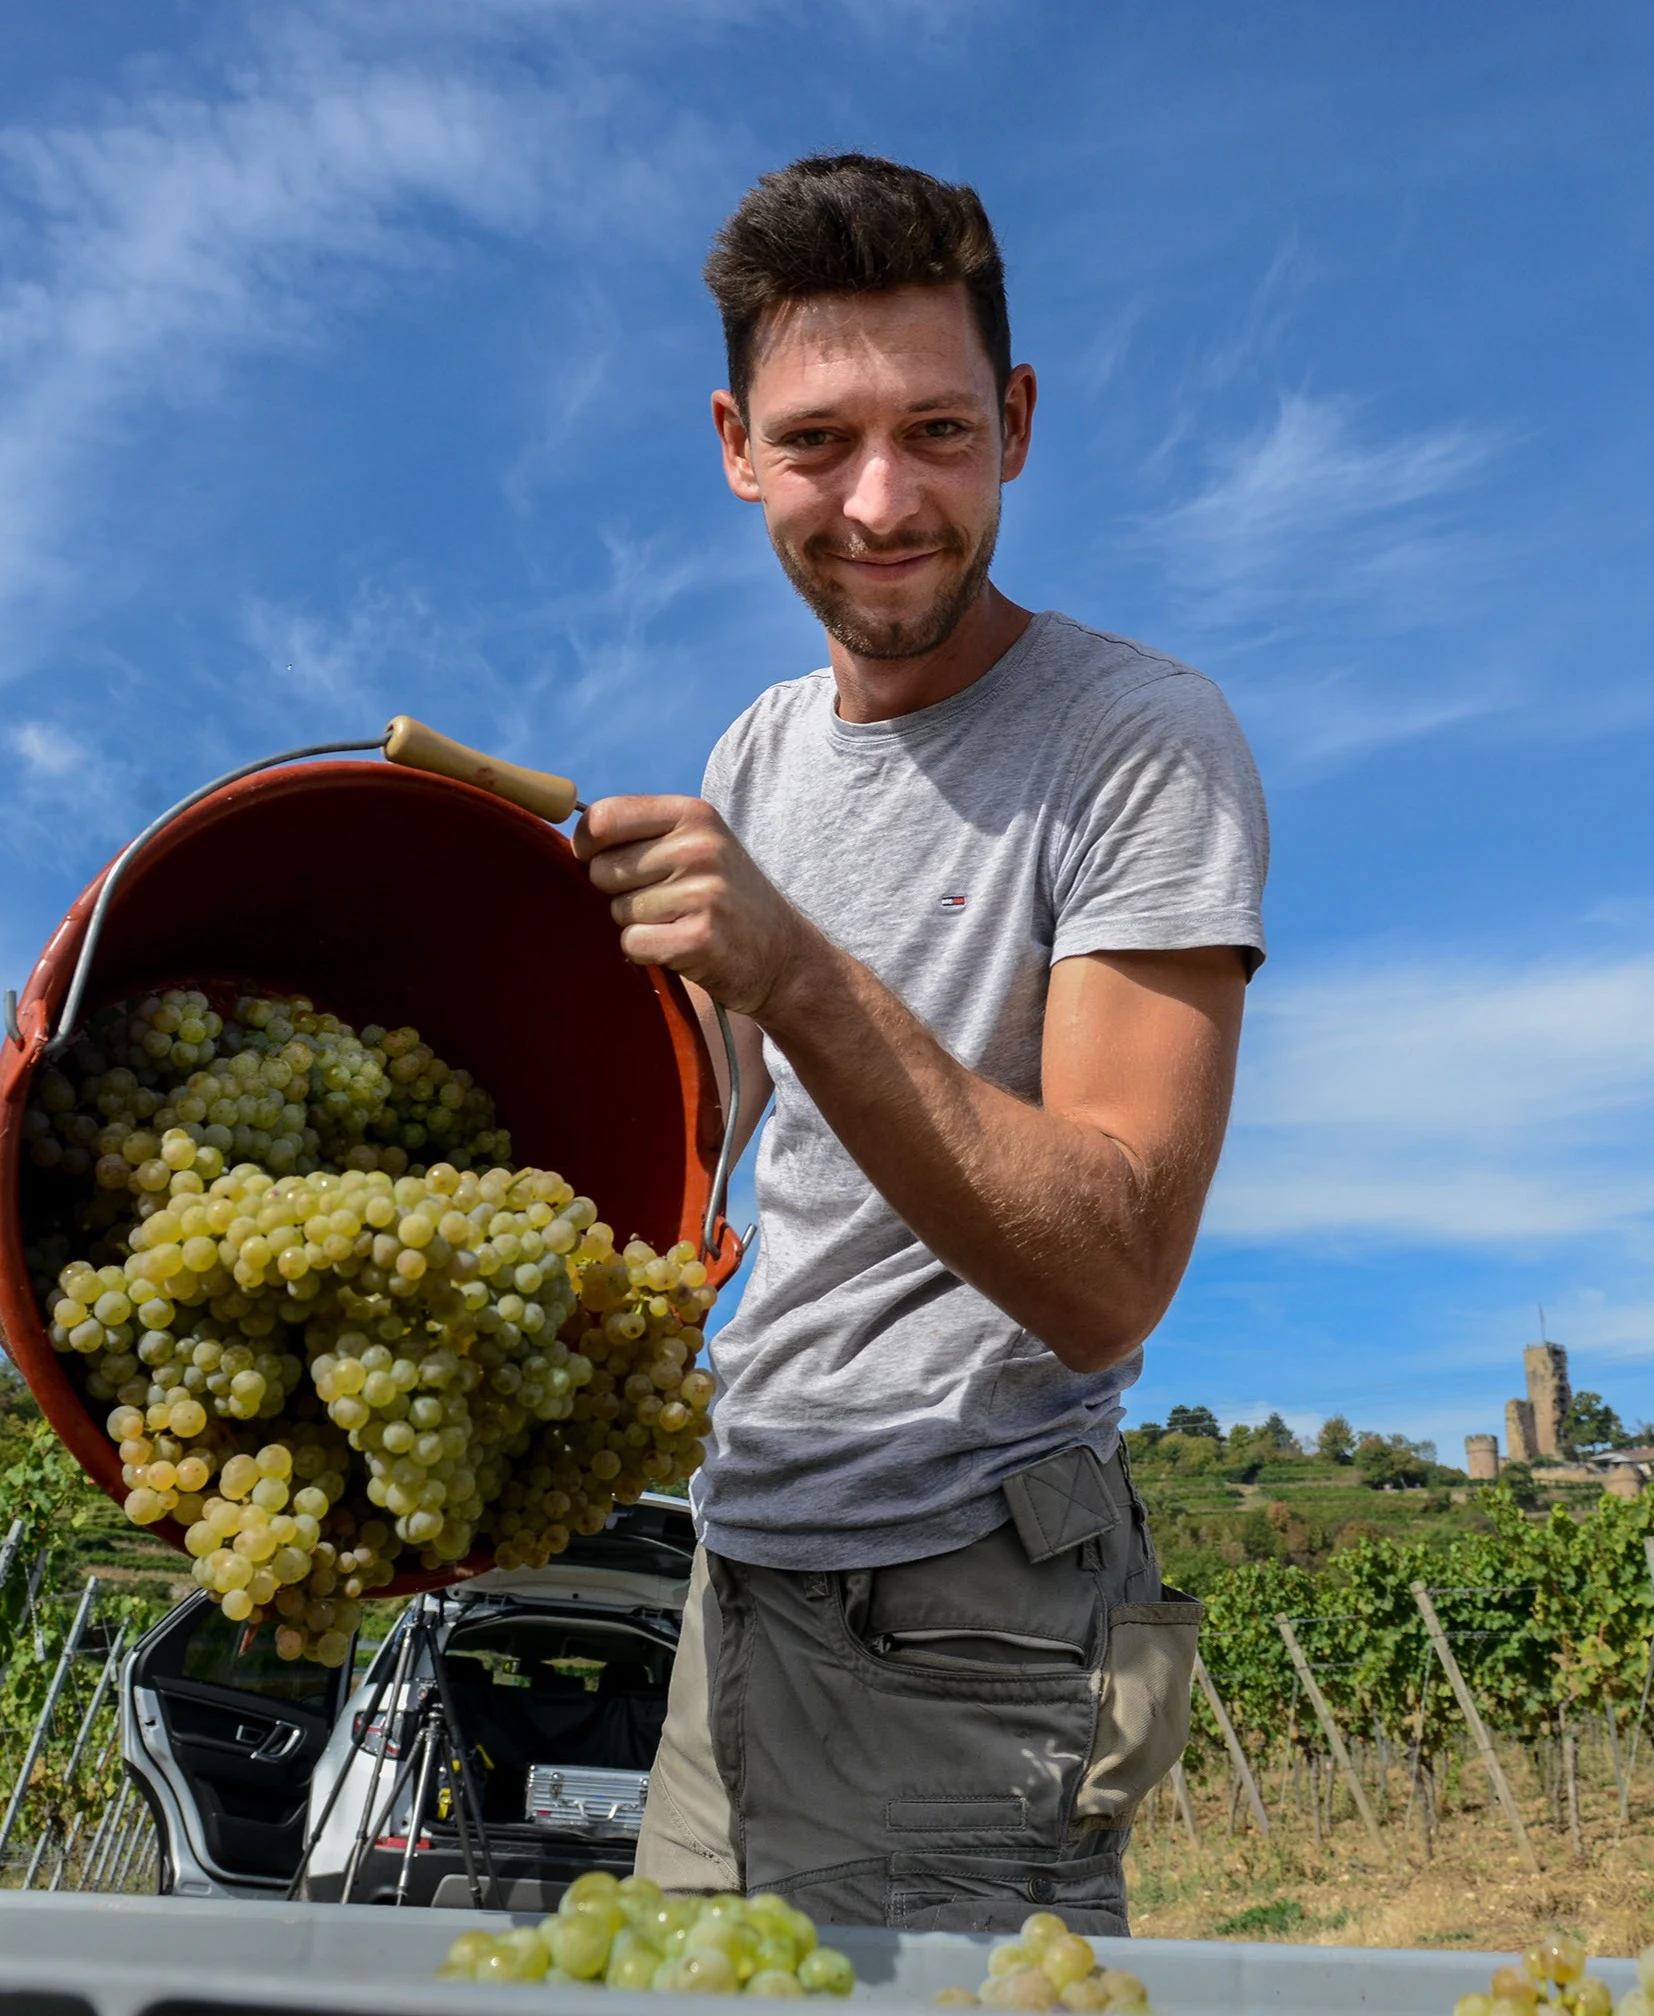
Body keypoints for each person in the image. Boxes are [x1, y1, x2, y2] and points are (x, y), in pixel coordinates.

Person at [571, 154, 1268, 1932]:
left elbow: (1111, 1268)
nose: (879, 502)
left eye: (936, 432)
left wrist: (799, 971)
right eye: (816, 442)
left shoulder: (1138, 744)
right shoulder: (758, 752)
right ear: (735, 443)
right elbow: (691, 1157)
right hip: (736, 1570)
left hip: (966, 1615)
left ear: (1016, 424)